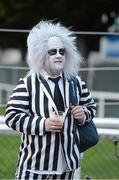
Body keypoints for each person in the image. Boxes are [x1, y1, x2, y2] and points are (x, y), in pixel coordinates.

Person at [5, 20, 96, 180]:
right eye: (52, 52)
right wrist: (43, 124)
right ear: (40, 55)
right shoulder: (28, 84)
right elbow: (12, 116)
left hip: (67, 166)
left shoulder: (75, 82)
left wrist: (84, 114)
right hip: (35, 167)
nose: (59, 55)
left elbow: (91, 107)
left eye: (62, 51)